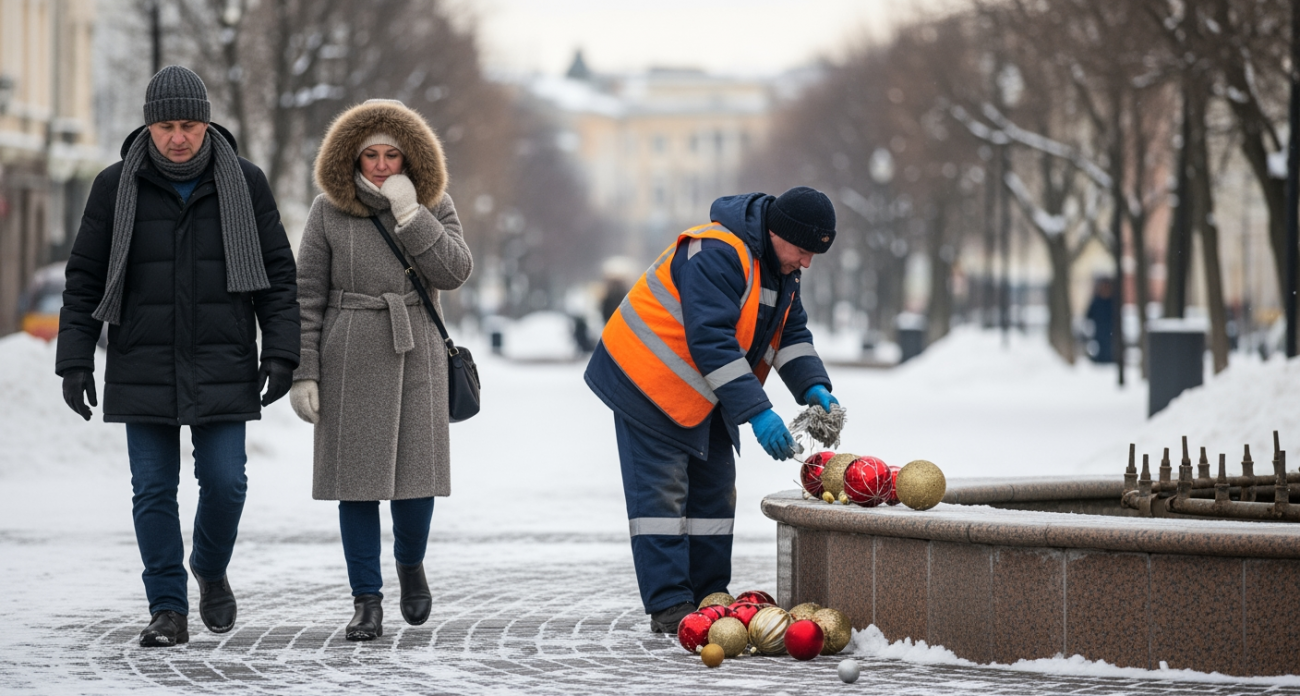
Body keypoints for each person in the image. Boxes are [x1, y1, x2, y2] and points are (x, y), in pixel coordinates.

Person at [55, 66, 300, 647]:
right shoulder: (115, 186)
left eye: (189, 124)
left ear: (207, 122)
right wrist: (75, 360)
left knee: (226, 482)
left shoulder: (246, 182)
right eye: (166, 125)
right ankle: (167, 607)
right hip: (143, 357)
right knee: (152, 489)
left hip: (223, 357)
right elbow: (85, 278)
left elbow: (278, 276)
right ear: (149, 124)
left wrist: (282, 352)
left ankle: (209, 570)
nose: (178, 137)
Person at [584, 186, 842, 633]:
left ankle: (708, 599)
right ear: (780, 233)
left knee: (715, 495)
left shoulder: (780, 268)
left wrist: (814, 387)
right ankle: (670, 607)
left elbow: (790, 332)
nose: (807, 263)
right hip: (646, 381)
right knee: (661, 498)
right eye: (803, 251)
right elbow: (712, 342)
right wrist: (759, 413)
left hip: (705, 391)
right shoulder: (716, 252)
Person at [290, 99, 473, 641]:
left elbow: (454, 271)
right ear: (351, 155)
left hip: (418, 347)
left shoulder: (435, 206)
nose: (380, 165)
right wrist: (305, 371)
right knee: (358, 485)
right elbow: (305, 294)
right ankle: (365, 600)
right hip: (351, 351)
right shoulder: (328, 210)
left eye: (392, 154)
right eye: (369, 154)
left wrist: (411, 216)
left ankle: (410, 564)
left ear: (410, 157)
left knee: (417, 485)